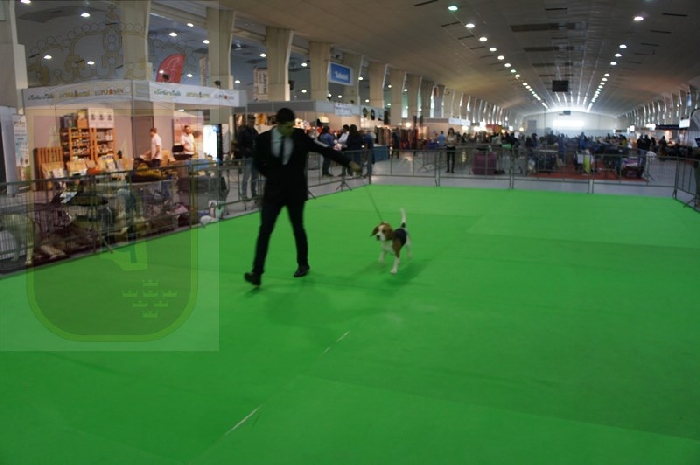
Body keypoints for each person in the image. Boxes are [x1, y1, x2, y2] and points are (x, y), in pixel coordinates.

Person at [244, 108, 361, 286]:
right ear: (279, 125)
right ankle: (257, 272)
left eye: (293, 126)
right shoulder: (263, 139)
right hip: (273, 193)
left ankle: (303, 264)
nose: (291, 129)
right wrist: (273, 176)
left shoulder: (300, 136)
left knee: (298, 228)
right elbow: (257, 163)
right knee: (264, 230)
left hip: (295, 191)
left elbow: (324, 150)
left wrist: (348, 162)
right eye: (288, 127)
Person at [237, 115, 259, 200]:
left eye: (253, 122)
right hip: (248, 157)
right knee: (246, 177)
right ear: (248, 121)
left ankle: (254, 193)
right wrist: (245, 152)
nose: (252, 123)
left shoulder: (255, 132)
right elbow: (240, 144)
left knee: (255, 177)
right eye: (251, 122)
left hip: (255, 157)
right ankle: (244, 194)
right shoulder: (243, 131)